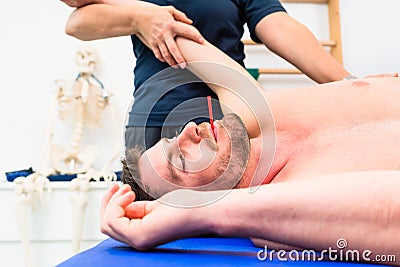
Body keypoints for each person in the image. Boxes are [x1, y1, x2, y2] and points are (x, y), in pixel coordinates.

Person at [100, 37, 400, 262]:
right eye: (181, 159)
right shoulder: (286, 218)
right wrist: (200, 215)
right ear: (193, 201)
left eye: (174, 137)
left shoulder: (258, 109)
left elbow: (178, 36)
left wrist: (138, 15)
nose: (190, 130)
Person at [61, 0, 353, 150]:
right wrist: (140, 17)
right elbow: (77, 20)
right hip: (153, 125)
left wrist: (350, 85)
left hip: (226, 124)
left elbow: (279, 26)